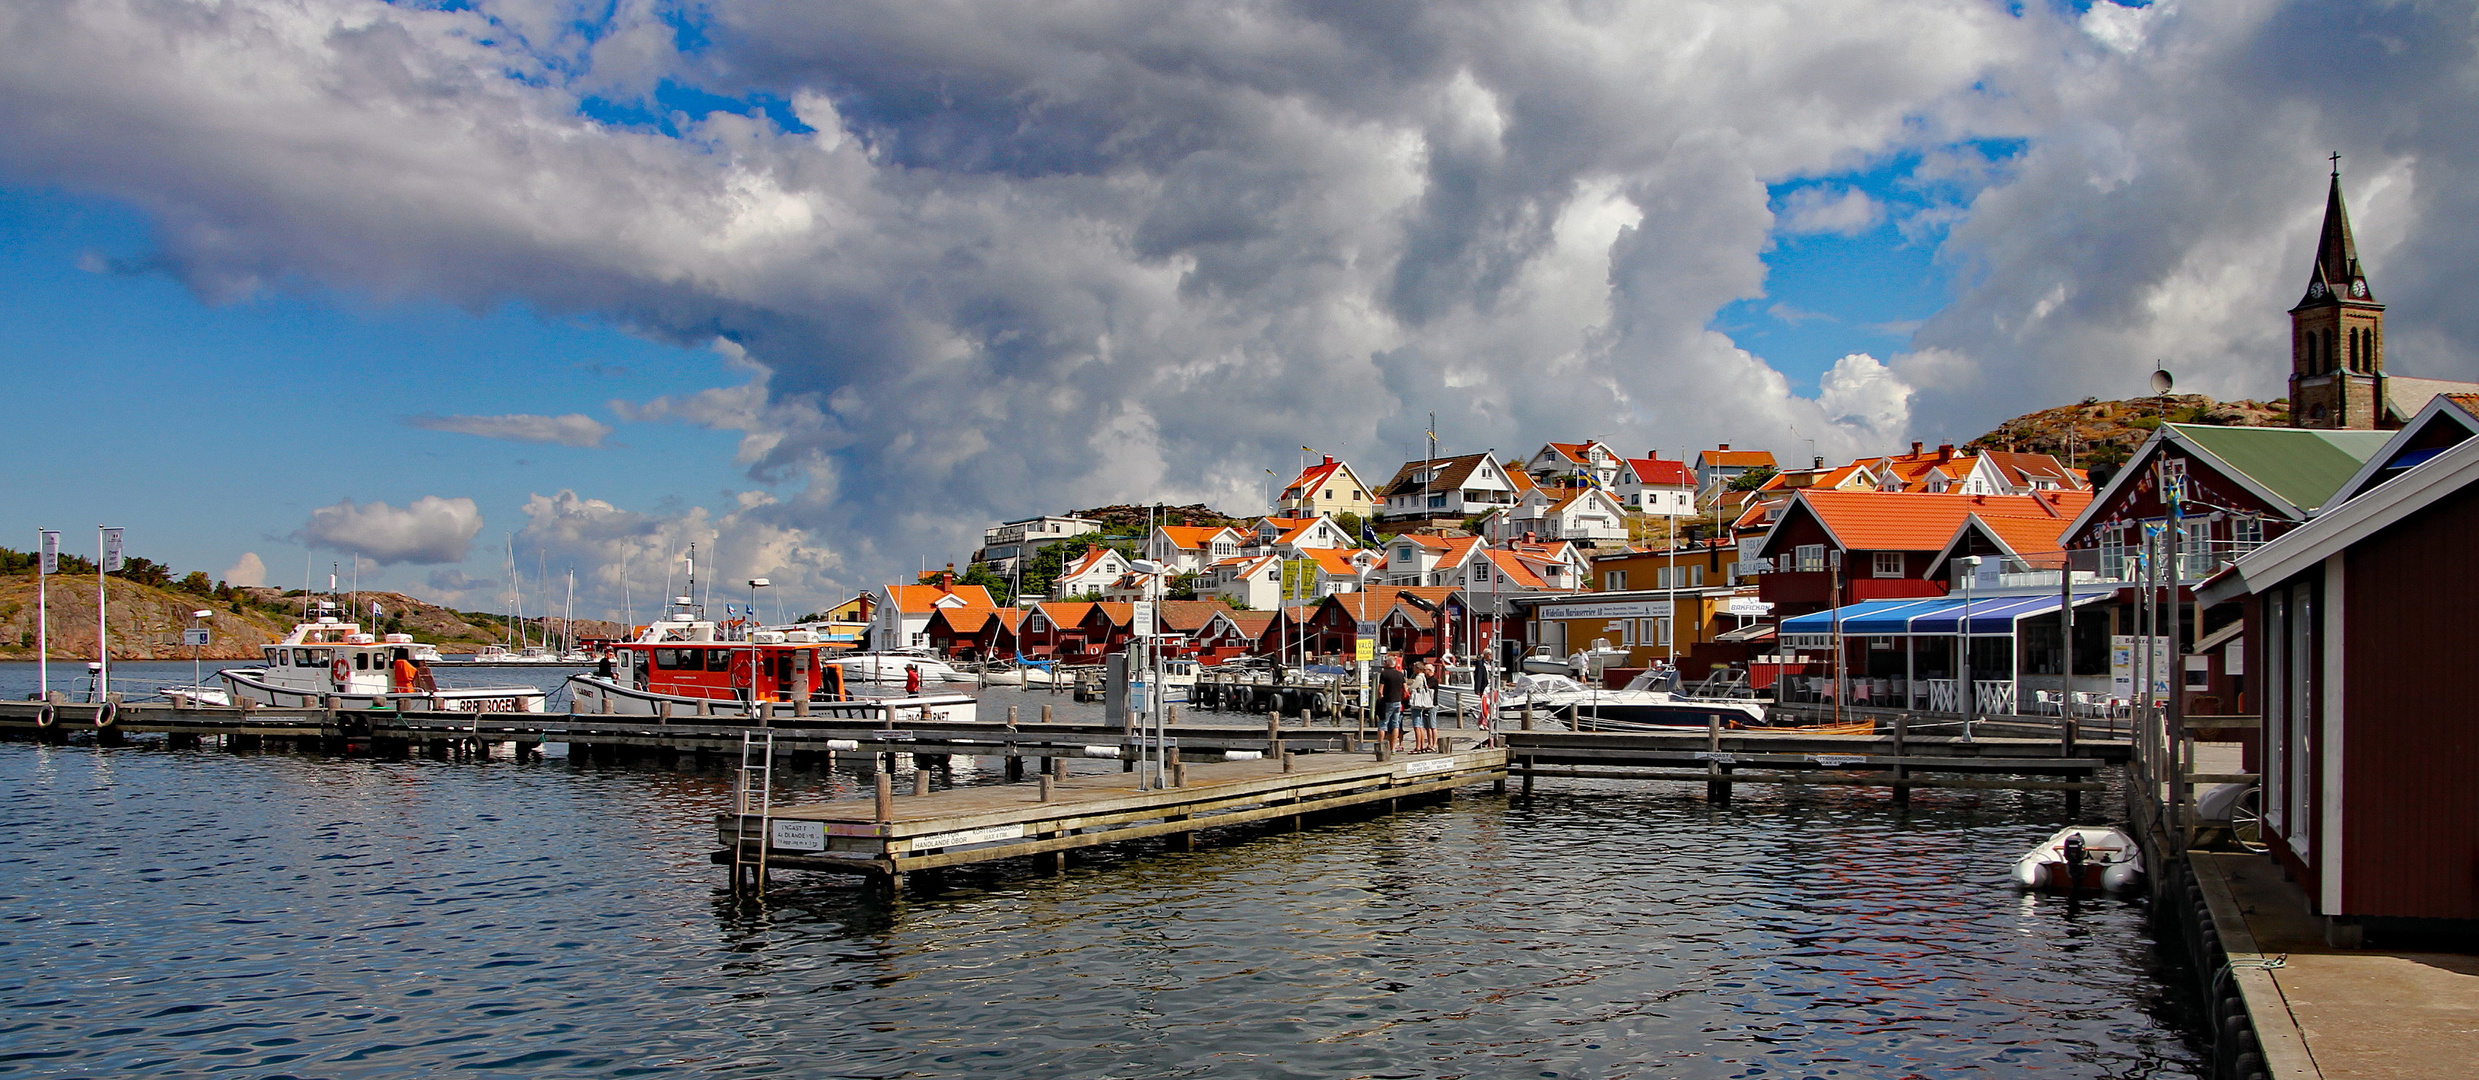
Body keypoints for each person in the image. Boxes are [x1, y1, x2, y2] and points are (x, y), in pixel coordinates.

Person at [1377, 654, 1407, 753]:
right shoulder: (1400, 674)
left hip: (1387, 701)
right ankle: (1393, 747)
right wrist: (1401, 698)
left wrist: (1380, 700)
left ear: (1388, 663)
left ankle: (1380, 746)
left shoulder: (1384, 674)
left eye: (1385, 662)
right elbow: (1405, 690)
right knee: (1395, 724)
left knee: (1382, 724)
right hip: (1397, 702)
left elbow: (1380, 690)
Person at [1407, 658, 1437, 752]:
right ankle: (1422, 745)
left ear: (1418, 668)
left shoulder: (1419, 677)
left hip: (1417, 703)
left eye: (1414, 668)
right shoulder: (1424, 677)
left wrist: (1408, 689)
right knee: (1421, 725)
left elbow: (1413, 687)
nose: (1413, 670)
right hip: (1422, 704)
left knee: (1417, 725)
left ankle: (1418, 746)